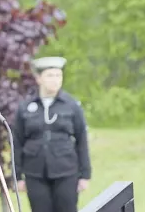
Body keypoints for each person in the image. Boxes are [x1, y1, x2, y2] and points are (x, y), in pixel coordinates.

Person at [12, 56, 92, 212]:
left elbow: (82, 140)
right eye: (50, 75)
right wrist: (17, 177)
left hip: (66, 171)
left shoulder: (71, 105)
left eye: (58, 75)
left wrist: (85, 175)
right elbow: (17, 142)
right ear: (38, 78)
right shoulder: (26, 107)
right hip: (35, 173)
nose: (55, 80)